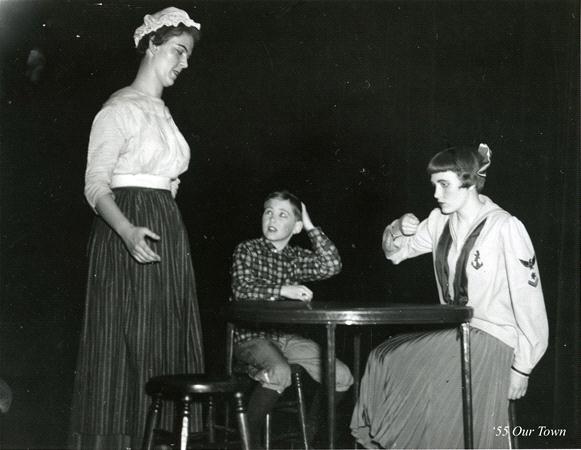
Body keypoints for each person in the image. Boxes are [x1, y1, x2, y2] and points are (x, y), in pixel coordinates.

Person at [351, 144, 549, 449]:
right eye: (434, 185)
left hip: (494, 339)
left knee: (392, 360)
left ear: (469, 182)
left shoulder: (505, 227)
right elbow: (395, 254)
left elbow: (530, 303)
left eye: (444, 185)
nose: (436, 194)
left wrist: (523, 367)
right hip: (457, 336)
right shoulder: (440, 221)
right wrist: (398, 227)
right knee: (382, 357)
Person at [69, 7, 205, 449]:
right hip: (126, 230)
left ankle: (162, 440)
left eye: (188, 56)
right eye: (177, 52)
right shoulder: (118, 109)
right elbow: (95, 185)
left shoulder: (163, 113)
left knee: (164, 342)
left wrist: (165, 200)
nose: (183, 64)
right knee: (125, 343)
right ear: (152, 45)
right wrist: (128, 231)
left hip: (165, 228)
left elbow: (168, 177)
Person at [231, 190, 354, 448]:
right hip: (252, 338)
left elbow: (332, 265)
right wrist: (283, 290)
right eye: (268, 212)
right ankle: (244, 442)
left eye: (282, 214)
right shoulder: (248, 250)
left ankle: (308, 436)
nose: (272, 219)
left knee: (342, 376)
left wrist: (309, 225)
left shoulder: (296, 257)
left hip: (287, 339)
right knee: (279, 372)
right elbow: (242, 289)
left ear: (295, 226)